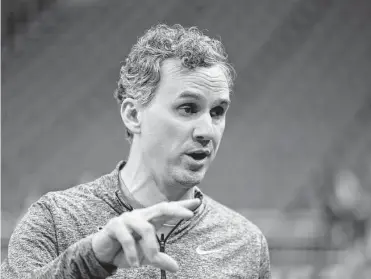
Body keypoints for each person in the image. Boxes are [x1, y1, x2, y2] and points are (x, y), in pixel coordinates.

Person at [1, 23, 271, 278]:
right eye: (188, 108)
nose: (207, 130)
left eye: (217, 112)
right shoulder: (56, 219)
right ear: (132, 114)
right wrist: (92, 259)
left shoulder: (245, 243)